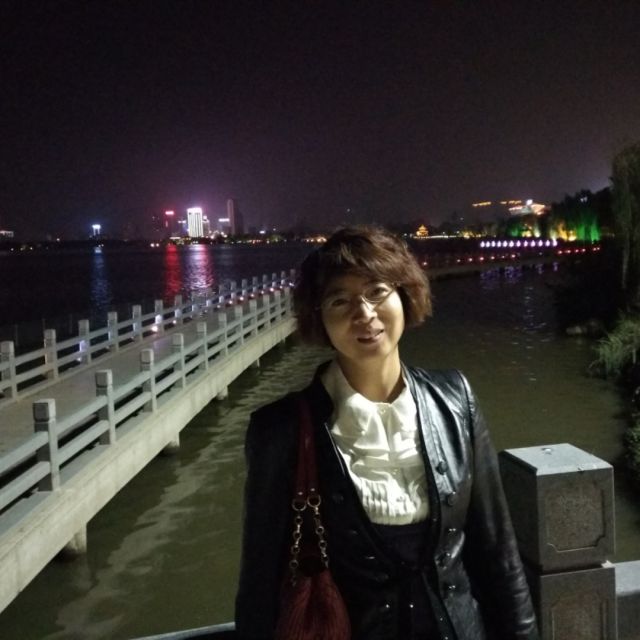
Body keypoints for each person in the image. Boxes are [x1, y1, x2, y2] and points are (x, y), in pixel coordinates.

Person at [235, 225, 538, 640]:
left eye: (377, 291)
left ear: (404, 295)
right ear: (319, 318)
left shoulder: (454, 400)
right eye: (340, 300)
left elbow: (497, 553)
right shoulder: (281, 429)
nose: (364, 313)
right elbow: (259, 583)